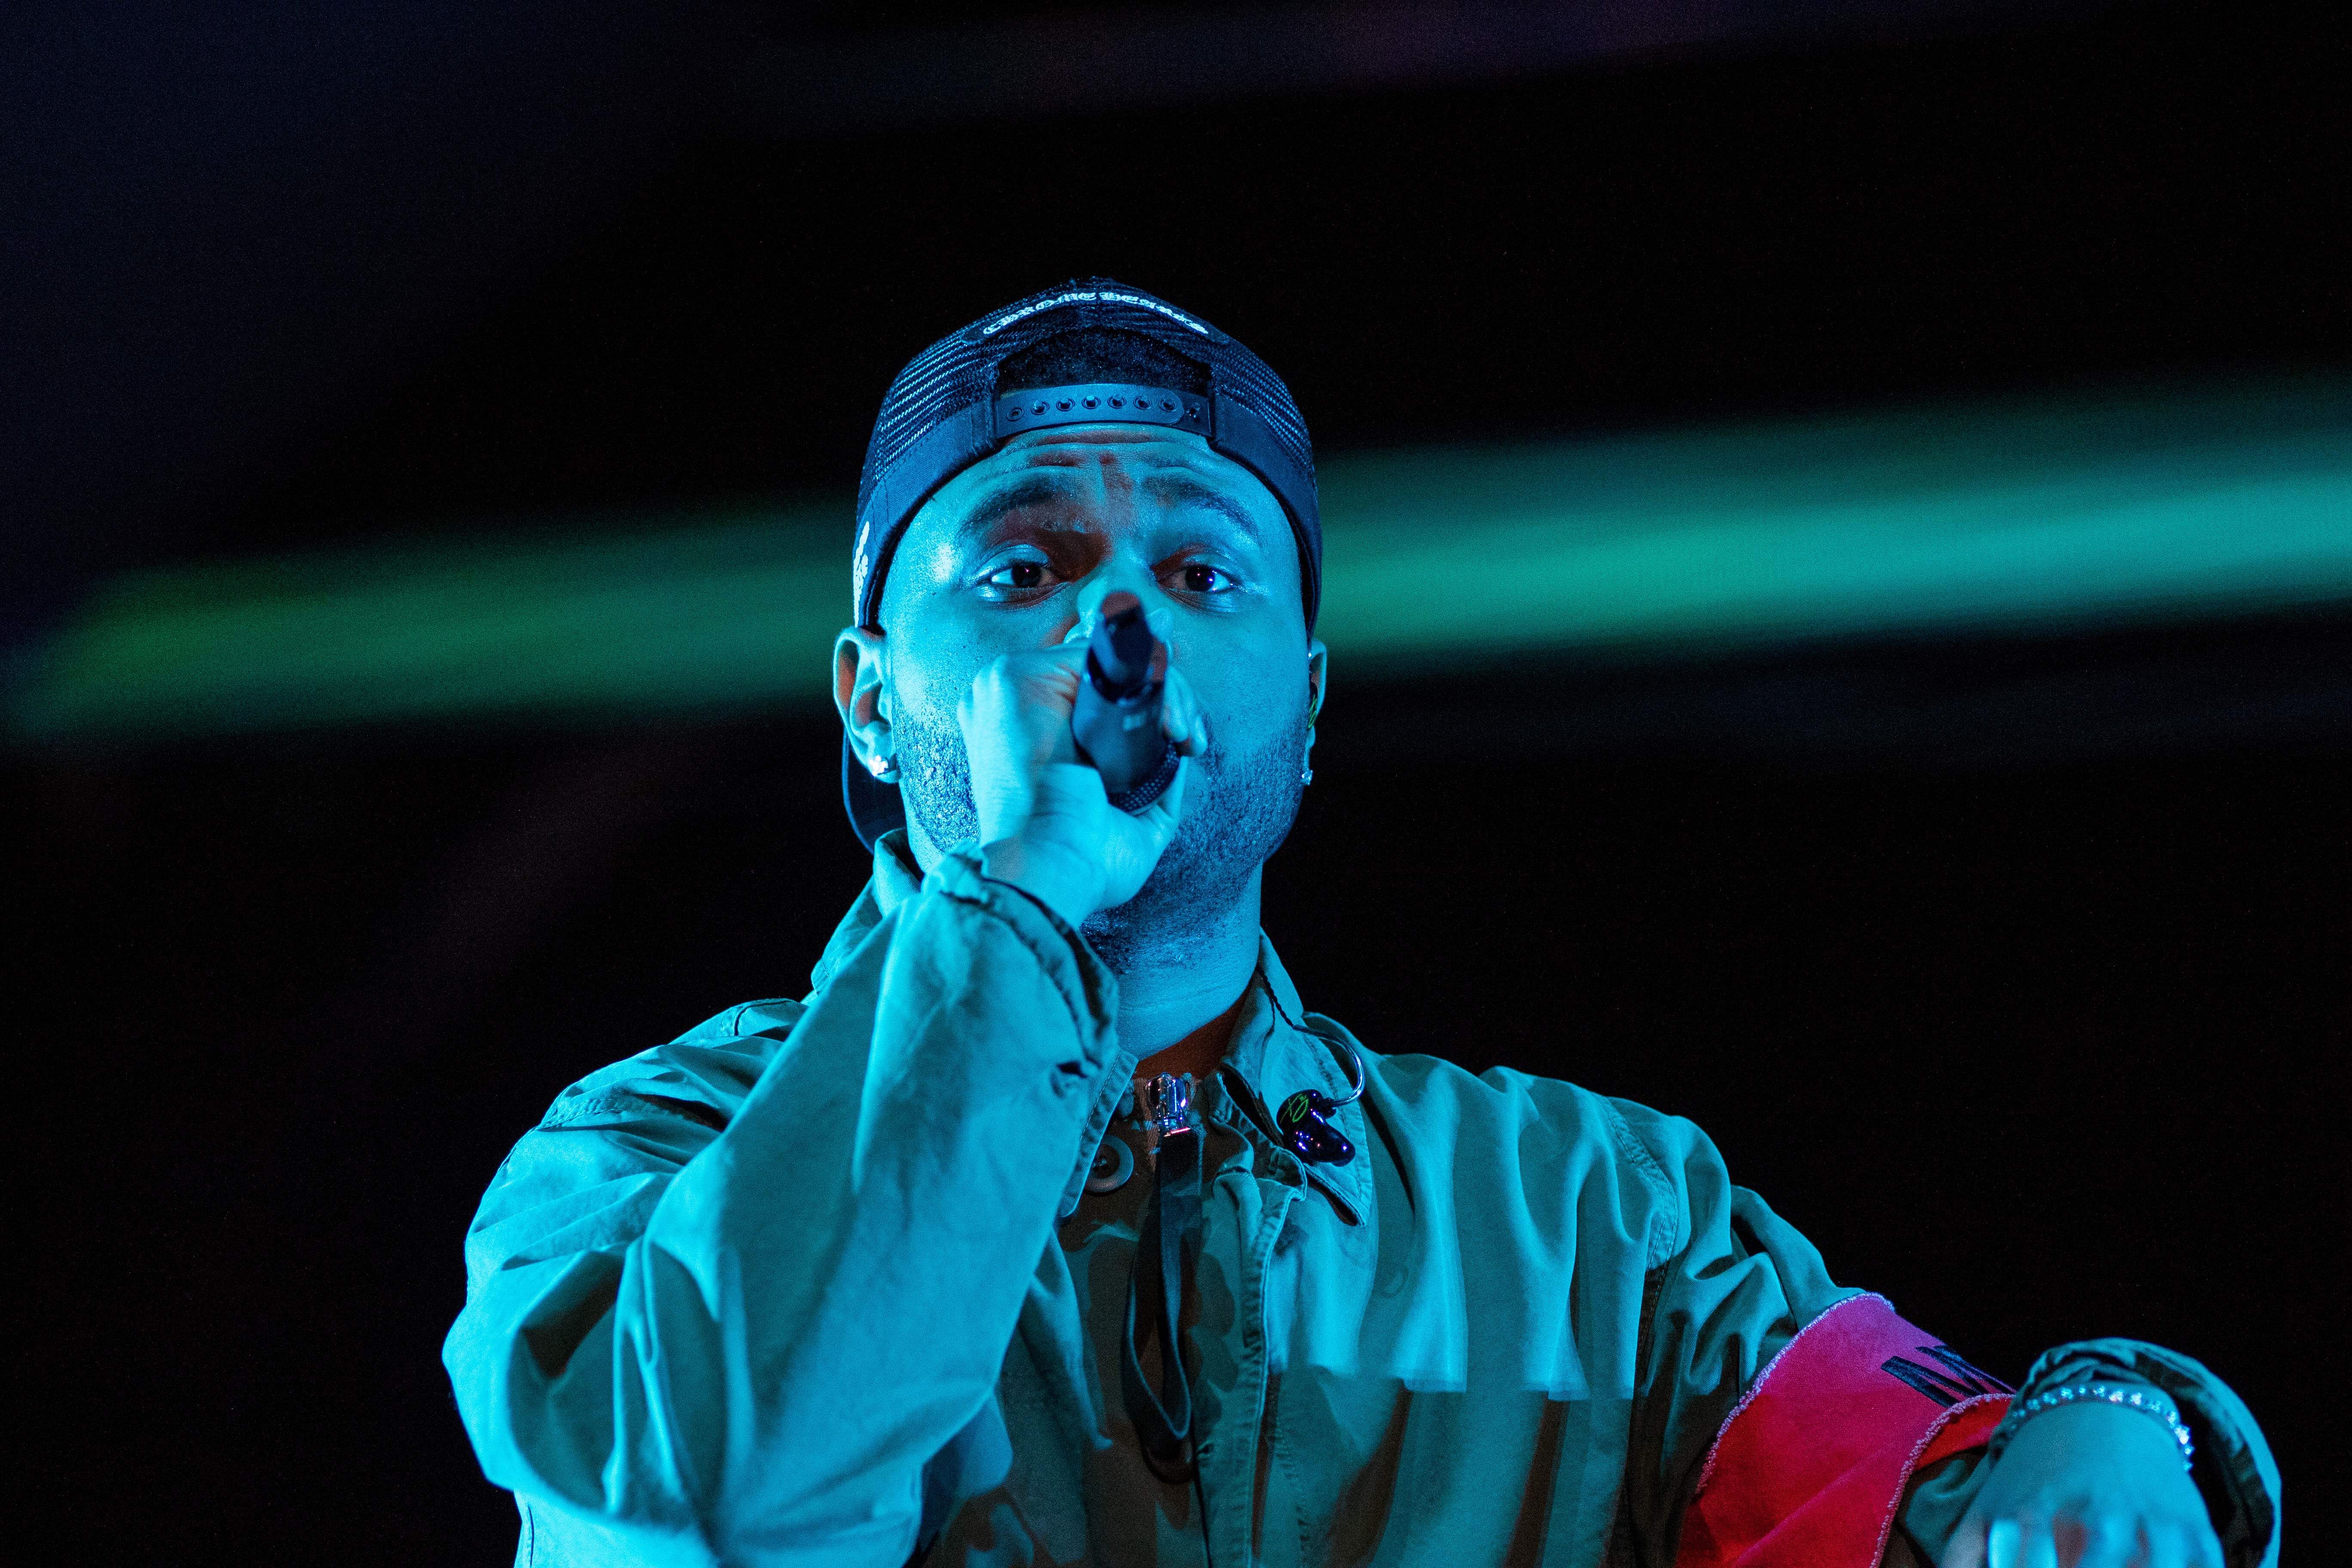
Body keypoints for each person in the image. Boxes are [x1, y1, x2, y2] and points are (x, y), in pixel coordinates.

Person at [444, 280, 2280, 1568]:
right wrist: (1018, 913)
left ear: (1307, 703)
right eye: (1022, 566)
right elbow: (714, 1506)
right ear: (866, 699)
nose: (1119, 633)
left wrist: (2110, 1410)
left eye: (1198, 569)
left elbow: (1912, 1488)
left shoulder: (1591, 1220)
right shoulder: (650, 1158)